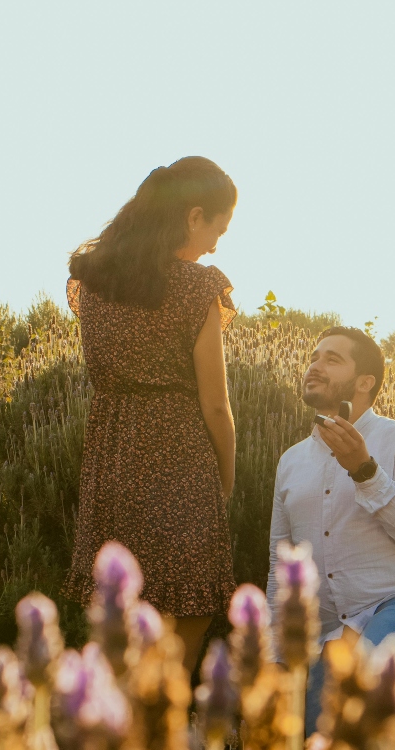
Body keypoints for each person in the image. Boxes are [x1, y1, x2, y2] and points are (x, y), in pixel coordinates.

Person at [63, 157, 238, 673]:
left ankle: (122, 715)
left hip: (112, 452)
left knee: (124, 604)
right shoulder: (196, 287)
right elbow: (215, 402)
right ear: (193, 215)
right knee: (195, 602)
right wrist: (225, 474)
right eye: (217, 230)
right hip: (177, 453)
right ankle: (157, 712)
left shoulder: (95, 282)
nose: (215, 245)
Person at [266, 326, 395, 735]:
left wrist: (365, 471)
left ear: (365, 381)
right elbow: (280, 567)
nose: (315, 365)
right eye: (314, 356)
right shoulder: (290, 462)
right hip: (328, 637)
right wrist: (277, 656)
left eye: (332, 359)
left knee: (360, 697)